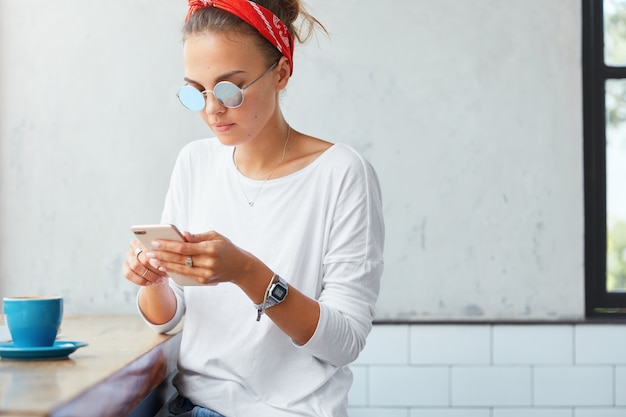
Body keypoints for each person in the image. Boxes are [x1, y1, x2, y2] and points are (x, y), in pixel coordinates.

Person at [122, 1, 384, 416]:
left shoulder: (341, 173)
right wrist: (152, 280)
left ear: (280, 72)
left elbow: (345, 343)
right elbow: (168, 318)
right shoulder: (195, 162)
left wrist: (247, 273)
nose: (212, 109)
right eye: (197, 91)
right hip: (191, 407)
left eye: (230, 89)